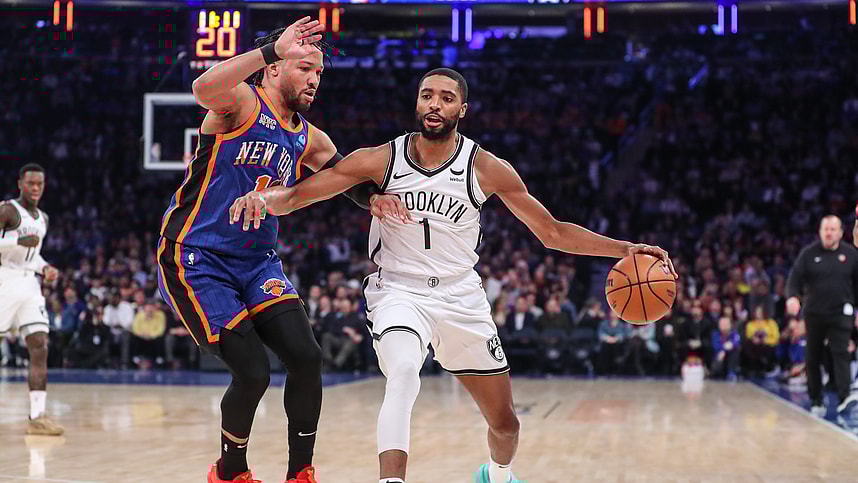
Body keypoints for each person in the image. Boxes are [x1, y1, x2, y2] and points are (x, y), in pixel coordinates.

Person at [230, 67, 677, 483]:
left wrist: (624, 248)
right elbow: (299, 195)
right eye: (427, 96)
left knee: (505, 425)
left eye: (446, 98)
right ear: (417, 104)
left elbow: (553, 232)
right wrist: (263, 199)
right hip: (398, 291)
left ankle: (496, 475)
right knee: (404, 372)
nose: (435, 104)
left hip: (461, 297)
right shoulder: (380, 160)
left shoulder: (485, 168)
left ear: (461, 110)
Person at [156, 17, 398, 483]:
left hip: (257, 262)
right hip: (196, 258)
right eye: (305, 67)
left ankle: (300, 472)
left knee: (307, 358)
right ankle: (229, 472)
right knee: (252, 373)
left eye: (319, 73)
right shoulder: (242, 102)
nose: (313, 80)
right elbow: (203, 87)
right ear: (274, 69)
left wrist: (373, 200)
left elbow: (343, 177)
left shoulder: (309, 137)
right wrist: (270, 50)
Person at [0, 163, 63, 436]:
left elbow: (33, 256)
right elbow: (19, 248)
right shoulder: (8, 210)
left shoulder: (43, 219)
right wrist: (15, 243)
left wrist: (44, 268)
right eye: (30, 183)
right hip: (5, 278)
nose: (35, 188)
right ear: (20, 184)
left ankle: (37, 417)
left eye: (40, 184)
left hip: (29, 283)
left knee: (39, 344)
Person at [786, 215, 858, 417]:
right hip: (814, 314)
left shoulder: (851, 255)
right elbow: (794, 278)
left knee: (841, 354)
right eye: (825, 229)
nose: (829, 233)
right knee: (813, 357)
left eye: (833, 229)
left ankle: (845, 398)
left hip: (841, 314)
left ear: (841, 232)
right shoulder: (809, 254)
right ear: (820, 232)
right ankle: (816, 398)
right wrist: (792, 297)